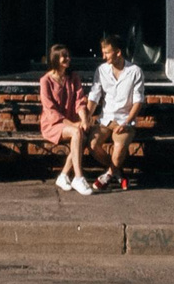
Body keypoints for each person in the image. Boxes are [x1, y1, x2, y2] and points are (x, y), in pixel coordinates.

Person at [88, 29, 145, 191]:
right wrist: (86, 117)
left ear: (118, 53)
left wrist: (127, 122)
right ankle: (117, 172)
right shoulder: (101, 70)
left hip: (125, 120)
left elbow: (138, 101)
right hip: (105, 119)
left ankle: (107, 176)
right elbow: (94, 96)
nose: (103, 56)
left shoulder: (135, 72)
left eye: (107, 53)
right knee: (92, 144)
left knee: (119, 148)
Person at [37, 43, 97, 197]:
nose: (68, 59)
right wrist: (74, 124)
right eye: (64, 56)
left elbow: (79, 101)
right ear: (56, 59)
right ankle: (78, 177)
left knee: (81, 133)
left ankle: (63, 175)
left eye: (68, 56)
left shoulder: (73, 77)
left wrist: (84, 119)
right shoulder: (46, 81)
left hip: (71, 124)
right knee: (78, 133)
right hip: (52, 124)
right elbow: (51, 111)